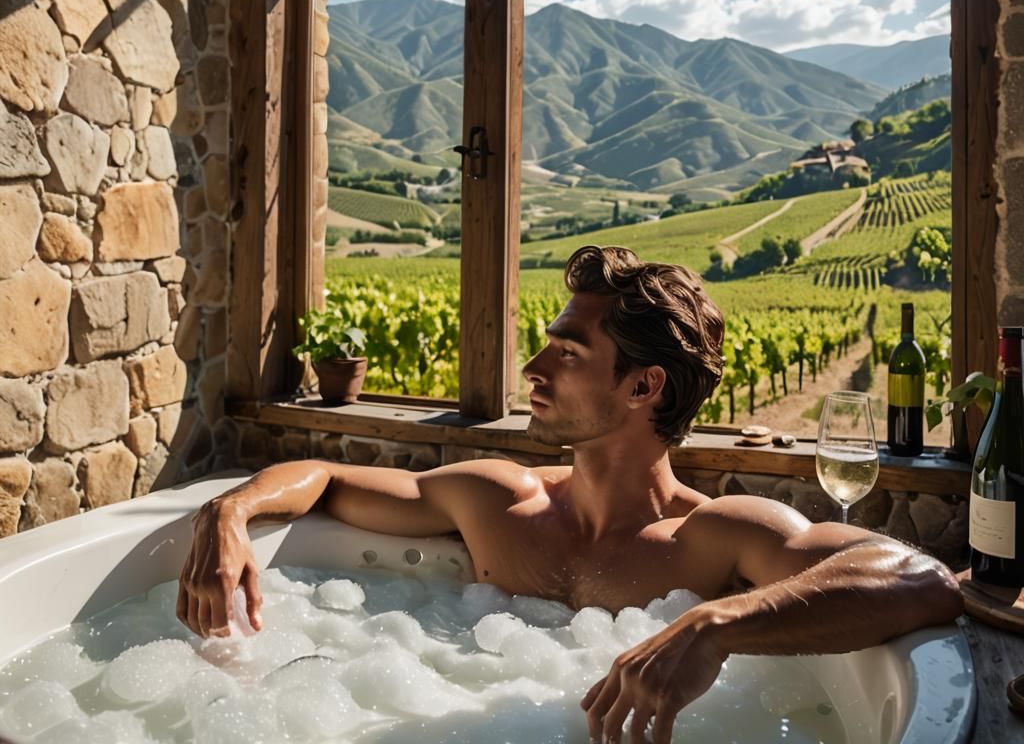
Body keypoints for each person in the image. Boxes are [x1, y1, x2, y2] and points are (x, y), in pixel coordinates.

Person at [178, 245, 962, 744]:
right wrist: (230, 512)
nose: (534, 370)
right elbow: (329, 480)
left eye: (568, 351)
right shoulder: (495, 500)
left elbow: (920, 582)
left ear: (643, 385)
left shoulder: (714, 538)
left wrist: (716, 625)